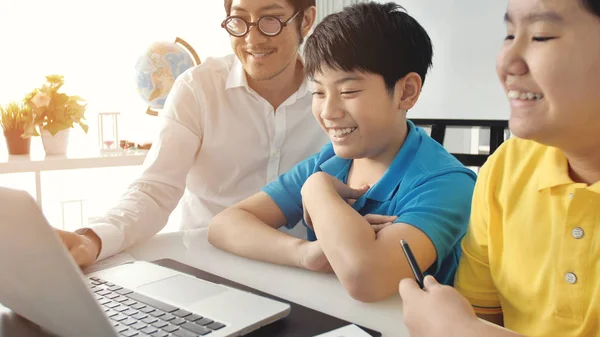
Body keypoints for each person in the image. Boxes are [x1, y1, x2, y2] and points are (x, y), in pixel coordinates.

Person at [208, 2, 477, 303]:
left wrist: (316, 189)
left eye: (348, 92)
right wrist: (306, 254)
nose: (328, 111)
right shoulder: (330, 162)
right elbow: (224, 225)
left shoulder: (447, 183)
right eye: (318, 92)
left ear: (406, 91)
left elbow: (366, 279)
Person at [57, 0, 329, 268]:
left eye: (271, 19)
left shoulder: (333, 94)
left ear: (305, 20)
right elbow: (155, 190)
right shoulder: (198, 88)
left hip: (303, 269)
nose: (252, 39)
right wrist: (92, 239)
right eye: (239, 21)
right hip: (207, 267)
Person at [399, 0, 600, 336]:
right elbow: (482, 313)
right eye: (509, 34)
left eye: (541, 36)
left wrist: (459, 331)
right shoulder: (507, 168)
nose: (506, 62)